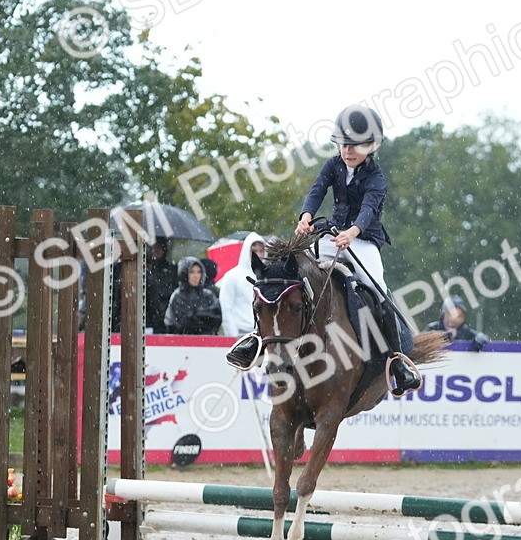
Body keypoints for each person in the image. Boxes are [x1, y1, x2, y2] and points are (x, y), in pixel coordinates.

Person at [225, 105, 420, 395]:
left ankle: (395, 359)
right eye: (344, 144)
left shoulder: (376, 178)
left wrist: (352, 233)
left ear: (371, 146)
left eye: (355, 146)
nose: (348, 151)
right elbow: (317, 190)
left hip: (363, 242)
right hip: (330, 237)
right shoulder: (333, 166)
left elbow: (368, 210)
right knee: (289, 275)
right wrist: (306, 216)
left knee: (377, 289)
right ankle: (256, 337)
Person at [109, 236, 180, 334]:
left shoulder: (159, 274)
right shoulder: (119, 274)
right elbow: (116, 304)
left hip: (146, 325)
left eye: (158, 247)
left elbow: (155, 307)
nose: (155, 251)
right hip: (126, 324)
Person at [218, 232, 266, 337]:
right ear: (246, 251)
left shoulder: (267, 278)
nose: (258, 255)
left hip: (264, 333)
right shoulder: (232, 276)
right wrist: (233, 336)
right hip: (241, 333)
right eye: (254, 251)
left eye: (261, 251)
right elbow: (226, 308)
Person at [164, 256, 221, 335]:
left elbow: (217, 317)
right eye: (192, 272)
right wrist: (203, 316)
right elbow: (184, 322)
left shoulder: (208, 295)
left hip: (207, 341)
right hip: (181, 342)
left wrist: (197, 315)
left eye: (199, 272)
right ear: (184, 273)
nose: (196, 276)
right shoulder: (178, 296)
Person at [424, 295, 489, 351]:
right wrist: (442, 338)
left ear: (464, 318)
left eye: (459, 316)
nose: (454, 319)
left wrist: (479, 338)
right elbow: (421, 343)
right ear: (443, 314)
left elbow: (482, 337)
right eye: (450, 314)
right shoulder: (432, 328)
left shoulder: (465, 331)